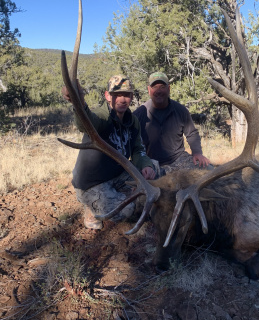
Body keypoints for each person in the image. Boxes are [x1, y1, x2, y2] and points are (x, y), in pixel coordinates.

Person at [62, 75, 156, 230]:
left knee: (155, 168)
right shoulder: (101, 117)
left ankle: (123, 194)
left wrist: (146, 166)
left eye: (126, 95)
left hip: (118, 175)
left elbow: (138, 150)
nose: (122, 99)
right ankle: (91, 207)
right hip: (93, 183)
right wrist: (78, 102)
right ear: (107, 96)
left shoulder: (132, 121)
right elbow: (85, 123)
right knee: (127, 211)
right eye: (116, 94)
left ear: (132, 97)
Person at [133, 71, 211, 174]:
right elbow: (132, 144)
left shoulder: (180, 110)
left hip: (178, 160)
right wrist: (144, 164)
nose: (159, 91)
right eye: (154, 87)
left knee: (209, 171)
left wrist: (197, 153)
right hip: (150, 163)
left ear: (169, 88)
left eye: (162, 87)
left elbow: (192, 133)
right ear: (149, 90)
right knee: (132, 182)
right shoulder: (139, 114)